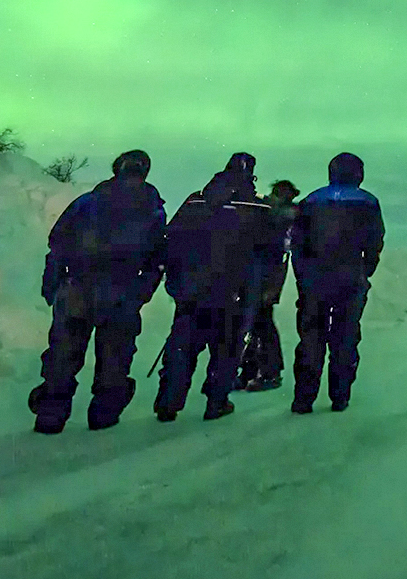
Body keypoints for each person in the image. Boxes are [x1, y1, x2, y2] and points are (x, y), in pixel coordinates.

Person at [30, 149, 166, 434]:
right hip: (116, 293)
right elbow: (157, 259)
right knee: (111, 360)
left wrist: (54, 284)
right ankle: (100, 416)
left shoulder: (89, 202)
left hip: (83, 290)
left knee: (65, 356)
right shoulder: (150, 209)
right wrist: (140, 292)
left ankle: (52, 415)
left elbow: (58, 244)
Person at [154, 153, 277, 421]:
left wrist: (176, 280)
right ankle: (216, 402)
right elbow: (271, 254)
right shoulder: (256, 210)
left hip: (191, 292)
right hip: (234, 294)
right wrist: (261, 291)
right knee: (226, 350)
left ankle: (168, 401)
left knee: (182, 346)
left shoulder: (195, 202)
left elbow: (169, 240)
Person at [291, 152, 385, 414]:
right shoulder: (368, 202)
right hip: (350, 279)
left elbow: (297, 243)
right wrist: (365, 270)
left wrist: (303, 276)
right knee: (345, 338)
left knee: (311, 338)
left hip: (314, 281)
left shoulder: (311, 200)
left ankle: (303, 399)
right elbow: (375, 241)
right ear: (358, 174)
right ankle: (340, 396)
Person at [237, 179, 300, 391]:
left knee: (260, 323)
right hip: (262, 276)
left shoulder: (276, 217)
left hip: (263, 276)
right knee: (257, 323)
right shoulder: (282, 217)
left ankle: (267, 372)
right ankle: (254, 371)